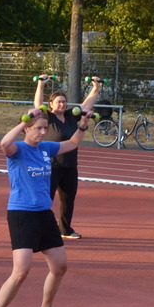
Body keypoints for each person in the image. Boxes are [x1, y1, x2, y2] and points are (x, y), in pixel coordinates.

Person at [0, 105, 92, 307]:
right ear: (27, 129)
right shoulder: (18, 149)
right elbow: (4, 144)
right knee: (21, 272)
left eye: (45, 128)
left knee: (60, 267)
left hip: (44, 214)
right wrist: (25, 121)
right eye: (39, 128)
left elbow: (72, 144)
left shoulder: (46, 148)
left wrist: (83, 125)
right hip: (21, 214)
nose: (43, 132)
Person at [36, 76, 103, 239]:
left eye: (64, 101)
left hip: (70, 166)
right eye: (58, 102)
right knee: (46, 200)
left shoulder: (72, 115)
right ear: (51, 105)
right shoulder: (48, 117)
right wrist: (40, 85)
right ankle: (41, 230)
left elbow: (86, 105)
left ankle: (65, 230)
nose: (62, 104)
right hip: (51, 166)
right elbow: (38, 105)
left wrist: (95, 88)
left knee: (68, 199)